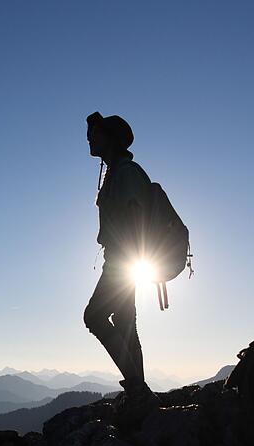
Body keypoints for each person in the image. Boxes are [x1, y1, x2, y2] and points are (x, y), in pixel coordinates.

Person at [84, 111, 160, 413]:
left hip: (123, 261)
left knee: (94, 316)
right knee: (126, 322)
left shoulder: (126, 173)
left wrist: (128, 258)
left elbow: (134, 215)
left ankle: (137, 389)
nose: (89, 139)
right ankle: (139, 393)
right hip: (127, 260)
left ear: (110, 139)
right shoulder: (118, 172)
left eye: (94, 134)